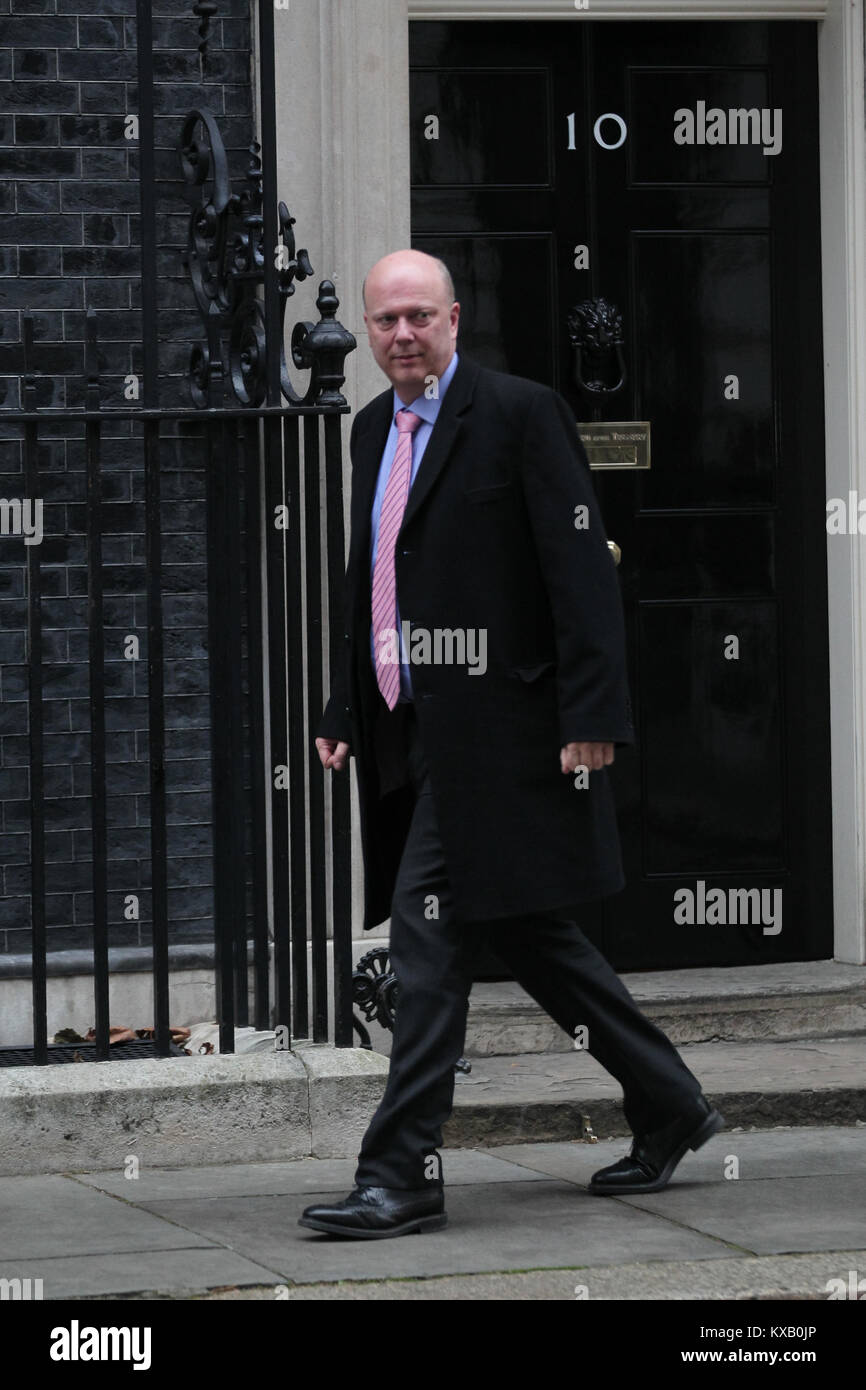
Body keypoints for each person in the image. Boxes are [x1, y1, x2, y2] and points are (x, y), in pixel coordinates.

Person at [299, 249, 723, 1239]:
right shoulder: (368, 430)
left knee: (424, 945)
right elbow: (374, 575)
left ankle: (400, 1172)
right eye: (384, 321)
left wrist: (591, 716)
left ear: (453, 317)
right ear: (367, 332)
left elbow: (579, 570)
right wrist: (341, 706)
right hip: (411, 729)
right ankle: (669, 1102)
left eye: (418, 315)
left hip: (502, 732)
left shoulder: (519, 413)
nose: (401, 334)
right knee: (532, 936)